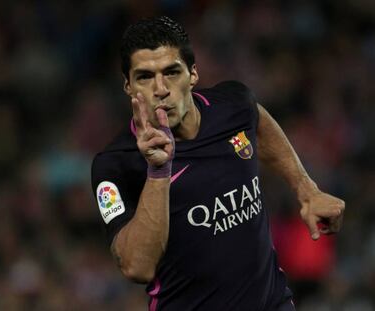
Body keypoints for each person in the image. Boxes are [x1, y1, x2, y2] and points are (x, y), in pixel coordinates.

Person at [91, 16, 345, 311]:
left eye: (172, 72)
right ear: (128, 86)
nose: (160, 89)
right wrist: (158, 171)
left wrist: (307, 189)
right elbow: (137, 267)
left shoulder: (232, 106)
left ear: (193, 74)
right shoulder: (115, 165)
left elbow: (257, 119)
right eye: (145, 77)